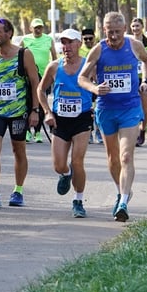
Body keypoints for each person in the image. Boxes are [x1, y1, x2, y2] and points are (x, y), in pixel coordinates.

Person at [77, 12, 147, 223]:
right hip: (106, 109)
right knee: (113, 158)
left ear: (125, 29)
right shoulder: (98, 49)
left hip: (129, 108)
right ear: (104, 30)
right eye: (110, 33)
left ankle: (123, 202)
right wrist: (94, 88)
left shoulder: (134, 45)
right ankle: (121, 191)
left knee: (126, 156)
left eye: (118, 32)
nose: (114, 37)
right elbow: (81, 77)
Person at [0, 18, 40, 208]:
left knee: (18, 149)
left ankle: (18, 191)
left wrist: (35, 110)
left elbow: (35, 82)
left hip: (18, 111)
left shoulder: (23, 54)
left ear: (9, 33)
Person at [37, 29, 92, 218]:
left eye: (70, 42)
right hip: (59, 120)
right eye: (63, 43)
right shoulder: (54, 66)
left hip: (82, 118)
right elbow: (40, 90)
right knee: (59, 165)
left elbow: (100, 86)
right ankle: (65, 174)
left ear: (79, 44)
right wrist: (47, 112)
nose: (66, 47)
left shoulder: (88, 66)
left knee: (78, 161)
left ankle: (78, 201)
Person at [21, 17, 57, 143]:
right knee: (27, 103)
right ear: (31, 28)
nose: (38, 30)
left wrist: (54, 74)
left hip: (44, 76)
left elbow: (54, 56)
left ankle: (37, 132)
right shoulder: (25, 39)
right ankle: (26, 131)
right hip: (28, 75)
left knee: (41, 103)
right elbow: (19, 56)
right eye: (35, 27)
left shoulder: (48, 39)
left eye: (40, 27)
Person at [129, 17, 147, 147]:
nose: (135, 29)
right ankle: (132, 132)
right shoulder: (128, 42)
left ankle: (142, 130)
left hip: (144, 78)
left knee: (145, 107)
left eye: (137, 26)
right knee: (132, 106)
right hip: (131, 78)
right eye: (133, 26)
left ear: (142, 27)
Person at [80, 27, 101, 144]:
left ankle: (99, 133)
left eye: (90, 38)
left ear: (94, 37)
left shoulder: (98, 48)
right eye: (85, 39)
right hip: (85, 85)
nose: (88, 41)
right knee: (87, 109)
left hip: (98, 83)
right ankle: (88, 133)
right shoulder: (79, 50)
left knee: (98, 109)